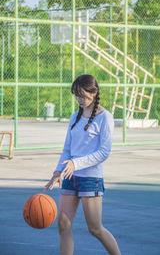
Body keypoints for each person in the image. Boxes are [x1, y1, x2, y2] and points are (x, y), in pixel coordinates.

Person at [44, 74, 121, 255]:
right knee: (63, 224)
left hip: (90, 179)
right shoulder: (74, 118)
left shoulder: (105, 117)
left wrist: (75, 163)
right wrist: (58, 171)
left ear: (94, 92)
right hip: (70, 176)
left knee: (95, 229)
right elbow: (67, 149)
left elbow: (104, 152)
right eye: (76, 95)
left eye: (83, 95)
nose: (79, 99)